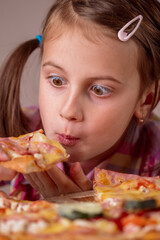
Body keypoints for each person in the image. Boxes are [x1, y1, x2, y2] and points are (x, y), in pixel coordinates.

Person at [0, 0, 160, 200]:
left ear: (146, 101)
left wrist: (85, 213)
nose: (68, 111)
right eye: (57, 80)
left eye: (99, 90)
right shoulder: (18, 132)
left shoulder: (154, 163)